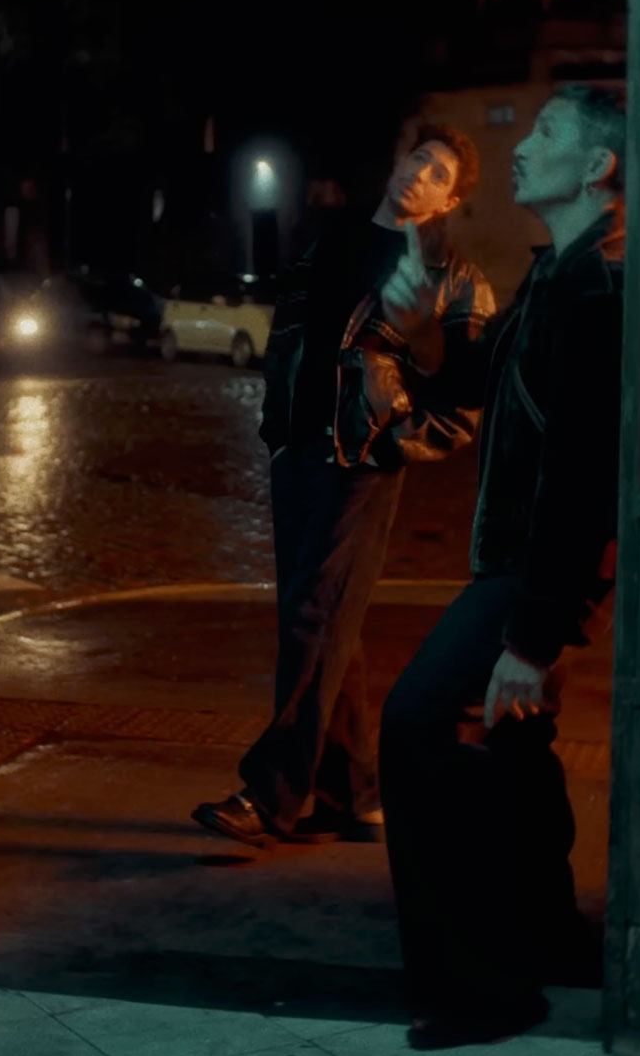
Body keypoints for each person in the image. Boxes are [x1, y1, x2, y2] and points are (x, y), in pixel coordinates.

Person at [378, 84, 626, 1049]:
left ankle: (481, 988)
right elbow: (487, 382)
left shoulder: (594, 285)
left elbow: (583, 474)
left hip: (532, 568)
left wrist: (530, 638)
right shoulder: (560, 270)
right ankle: (550, 935)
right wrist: (422, 330)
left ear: (598, 167)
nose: (521, 146)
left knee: (417, 723)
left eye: (546, 131)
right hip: (526, 564)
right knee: (515, 742)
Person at [193, 123, 496, 848]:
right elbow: (295, 339)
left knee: (314, 618)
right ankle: (353, 794)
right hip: (297, 451)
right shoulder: (329, 241)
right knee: (328, 622)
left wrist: (389, 441)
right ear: (399, 160)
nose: (421, 174)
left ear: (449, 201)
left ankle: (273, 795)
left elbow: (466, 400)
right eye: (419, 158)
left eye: (440, 174)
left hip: (360, 461)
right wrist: (279, 425)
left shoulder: (453, 276)